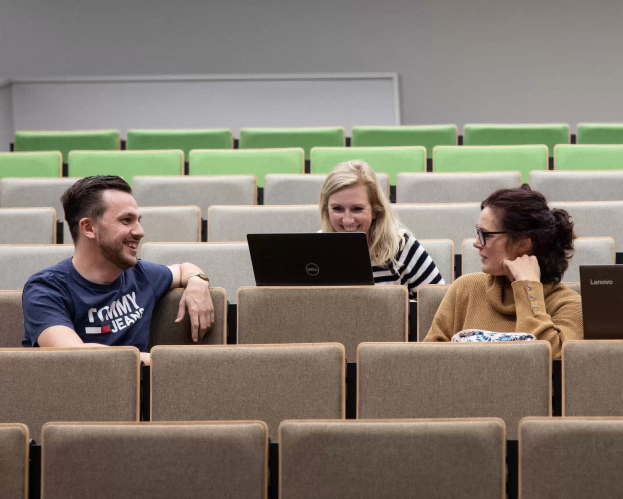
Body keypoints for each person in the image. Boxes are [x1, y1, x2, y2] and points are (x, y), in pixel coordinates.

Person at [22, 175, 215, 365]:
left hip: (142, 393)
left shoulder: (142, 275)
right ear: (88, 228)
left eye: (138, 220)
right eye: (126, 220)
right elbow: (75, 355)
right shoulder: (45, 289)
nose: (140, 232)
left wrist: (197, 281)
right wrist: (175, 362)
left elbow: (183, 270)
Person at [424, 185, 583, 359]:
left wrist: (528, 289)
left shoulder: (569, 305)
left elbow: (551, 364)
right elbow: (429, 364)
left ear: (523, 244)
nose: (476, 243)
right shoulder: (465, 289)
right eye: (478, 233)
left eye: (486, 234)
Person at [319, 160, 444, 298]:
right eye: (337, 209)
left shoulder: (402, 247)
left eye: (357, 209)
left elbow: (440, 305)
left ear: (375, 211)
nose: (347, 219)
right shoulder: (314, 249)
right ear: (326, 210)